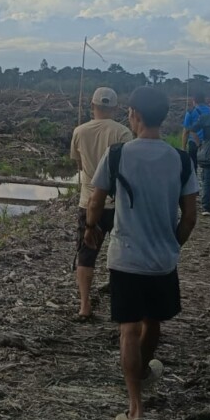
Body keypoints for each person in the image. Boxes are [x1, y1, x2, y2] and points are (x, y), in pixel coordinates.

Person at [84, 86, 198, 420]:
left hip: (126, 258)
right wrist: (173, 244)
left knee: (128, 330)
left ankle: (135, 411)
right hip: (162, 260)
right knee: (153, 323)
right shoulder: (181, 159)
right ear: (164, 116)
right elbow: (190, 216)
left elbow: (95, 201)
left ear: (133, 115)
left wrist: (91, 227)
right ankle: (144, 370)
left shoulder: (118, 155)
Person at [69, 86, 133, 320]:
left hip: (88, 202)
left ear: (92, 105)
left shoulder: (79, 131)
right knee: (121, 250)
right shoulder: (123, 133)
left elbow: (79, 165)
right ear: (115, 108)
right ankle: (119, 297)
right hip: (118, 204)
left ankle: (84, 305)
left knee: (86, 254)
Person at [181, 92, 210, 171]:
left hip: (193, 142)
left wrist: (183, 148)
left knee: (192, 166)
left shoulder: (190, 112)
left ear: (194, 101)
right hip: (207, 142)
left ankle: (194, 177)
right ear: (204, 100)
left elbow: (186, 131)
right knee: (207, 166)